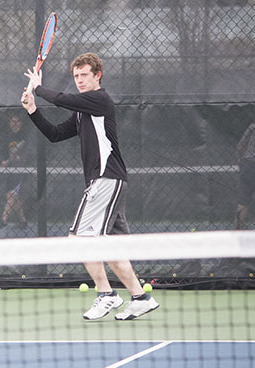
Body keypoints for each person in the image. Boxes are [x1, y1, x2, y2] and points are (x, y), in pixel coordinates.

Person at [21, 52, 159, 320]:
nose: (80, 80)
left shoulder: (99, 100)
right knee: (111, 247)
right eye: (76, 76)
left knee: (80, 240)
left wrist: (37, 86)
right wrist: (33, 110)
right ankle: (141, 297)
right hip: (108, 181)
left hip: (106, 179)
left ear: (97, 76)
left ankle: (106, 294)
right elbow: (55, 134)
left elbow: (62, 99)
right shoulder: (83, 112)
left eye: (84, 75)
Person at [0, 114, 29, 229]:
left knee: (11, 194)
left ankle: (3, 220)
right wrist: (4, 161)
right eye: (12, 122)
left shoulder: (24, 136)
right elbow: (3, 152)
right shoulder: (7, 137)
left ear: (20, 123)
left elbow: (27, 152)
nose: (14, 124)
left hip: (21, 171)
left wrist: (21, 159)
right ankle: (23, 220)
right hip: (10, 172)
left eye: (16, 122)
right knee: (12, 196)